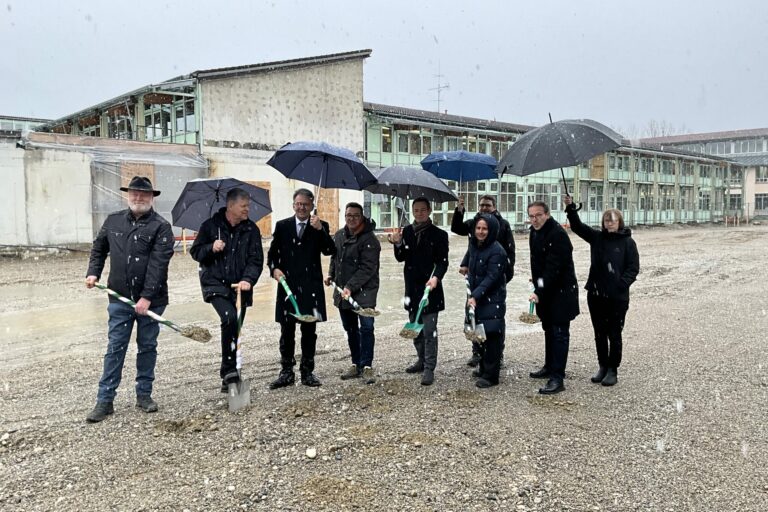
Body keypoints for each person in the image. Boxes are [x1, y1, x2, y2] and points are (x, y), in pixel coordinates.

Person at [84, 176, 175, 423]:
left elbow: (159, 266)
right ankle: (105, 400)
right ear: (128, 195)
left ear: (152, 197)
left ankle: (144, 395)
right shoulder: (113, 220)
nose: (138, 198)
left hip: (152, 301)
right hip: (120, 298)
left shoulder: (161, 227)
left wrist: (146, 298)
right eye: (134, 193)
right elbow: (98, 249)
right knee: (115, 348)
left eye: (144, 195)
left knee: (147, 347)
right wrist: (93, 272)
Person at [190, 188, 264, 392]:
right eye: (244, 206)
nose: (247, 209)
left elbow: (256, 259)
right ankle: (229, 371)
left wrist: (248, 279)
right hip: (215, 283)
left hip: (241, 286)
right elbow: (195, 252)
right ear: (230, 206)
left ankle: (230, 374)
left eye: (248, 205)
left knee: (236, 326)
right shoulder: (210, 226)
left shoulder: (251, 229)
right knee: (229, 318)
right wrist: (210, 248)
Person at [564, 196, 639, 386]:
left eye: (613, 219)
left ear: (619, 222)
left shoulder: (628, 242)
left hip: (617, 297)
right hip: (596, 294)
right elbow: (578, 227)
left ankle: (613, 369)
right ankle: (602, 366)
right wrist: (571, 209)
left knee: (614, 332)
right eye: (607, 220)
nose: (610, 223)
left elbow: (633, 268)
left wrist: (621, 284)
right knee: (599, 332)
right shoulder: (597, 238)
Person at [267, 189, 335, 389]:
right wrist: (274, 270)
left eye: (305, 204)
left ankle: (307, 371)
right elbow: (272, 255)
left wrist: (320, 229)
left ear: (312, 206)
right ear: (293, 205)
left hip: (310, 286)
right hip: (288, 286)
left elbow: (330, 250)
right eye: (298, 203)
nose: (301, 207)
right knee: (286, 331)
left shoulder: (319, 226)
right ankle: (286, 372)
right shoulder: (282, 226)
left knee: (309, 331)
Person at [389, 197, 449, 386]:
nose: (419, 213)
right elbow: (401, 258)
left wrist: (436, 278)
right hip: (412, 289)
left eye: (423, 210)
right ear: (412, 211)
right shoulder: (406, 231)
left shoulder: (439, 235)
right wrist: (397, 243)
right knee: (415, 328)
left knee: (429, 330)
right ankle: (421, 360)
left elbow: (443, 262)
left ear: (429, 210)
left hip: (431, 288)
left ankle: (429, 368)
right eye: (416, 210)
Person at [453, 194, 515, 367]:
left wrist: (504, 276)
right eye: (481, 205)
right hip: (476, 279)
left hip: (494, 280)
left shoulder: (503, 225)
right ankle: (477, 352)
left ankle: (496, 356)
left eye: (487, 205)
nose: (484, 208)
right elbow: (459, 230)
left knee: (494, 321)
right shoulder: (475, 222)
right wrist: (459, 210)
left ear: (494, 206)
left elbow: (510, 252)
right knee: (474, 316)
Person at [325, 202, 381, 384]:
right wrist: (330, 274)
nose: (351, 219)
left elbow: (368, 268)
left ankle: (367, 365)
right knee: (350, 329)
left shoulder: (370, 239)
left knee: (366, 327)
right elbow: (335, 258)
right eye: (348, 215)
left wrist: (350, 286)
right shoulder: (340, 235)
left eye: (355, 215)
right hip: (343, 291)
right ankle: (356, 363)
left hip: (365, 291)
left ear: (362, 216)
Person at [527, 200, 579, 395]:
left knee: (559, 333)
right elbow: (538, 262)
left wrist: (538, 290)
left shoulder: (557, 234)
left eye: (538, 215)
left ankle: (558, 377)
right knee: (548, 328)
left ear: (547, 214)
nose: (535, 219)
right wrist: (537, 281)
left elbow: (553, 269)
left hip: (561, 292)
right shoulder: (534, 232)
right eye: (531, 216)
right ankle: (549, 366)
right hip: (546, 291)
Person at [465, 214, 507, 388]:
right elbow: (470, 257)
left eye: (484, 229)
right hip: (476, 297)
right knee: (479, 335)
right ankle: (483, 367)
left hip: (491, 298)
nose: (481, 232)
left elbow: (491, 278)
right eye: (478, 228)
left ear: (491, 231)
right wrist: (464, 265)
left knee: (492, 337)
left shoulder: (497, 251)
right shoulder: (476, 245)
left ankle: (491, 375)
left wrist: (475, 295)